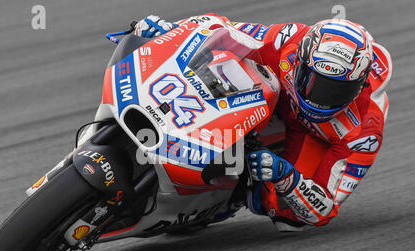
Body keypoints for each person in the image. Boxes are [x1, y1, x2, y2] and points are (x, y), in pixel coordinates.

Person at [133, 14, 392, 231]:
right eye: (312, 81)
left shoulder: (363, 132)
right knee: (225, 61)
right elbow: (222, 29)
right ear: (302, 59)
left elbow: (323, 209)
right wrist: (172, 29)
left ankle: (232, 193)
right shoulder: (289, 40)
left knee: (288, 217)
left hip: (315, 137)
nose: (319, 99)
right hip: (277, 97)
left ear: (358, 88)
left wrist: (285, 176)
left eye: (335, 92)